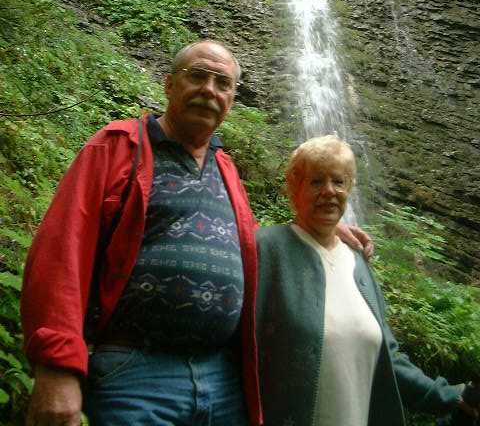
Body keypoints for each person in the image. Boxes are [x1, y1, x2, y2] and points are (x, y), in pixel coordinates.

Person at [21, 40, 372, 426]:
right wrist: (56, 366)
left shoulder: (226, 170)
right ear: (170, 84)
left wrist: (322, 226)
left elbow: (250, 250)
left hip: (223, 379)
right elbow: (62, 251)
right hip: (136, 375)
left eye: (222, 83)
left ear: (231, 99)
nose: (209, 89)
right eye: (198, 76)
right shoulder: (118, 147)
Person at [255, 135, 478, 426]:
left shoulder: (358, 262)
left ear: (349, 188)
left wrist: (451, 396)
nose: (329, 191)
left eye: (339, 181)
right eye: (316, 181)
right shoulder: (266, 248)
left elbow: (388, 357)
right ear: (295, 187)